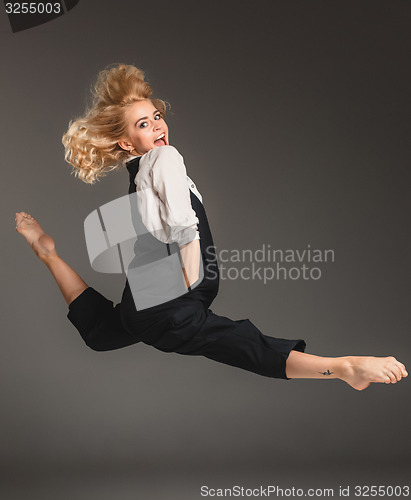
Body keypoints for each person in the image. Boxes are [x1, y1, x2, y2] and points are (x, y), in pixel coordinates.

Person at [15, 63, 407, 391]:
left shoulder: (142, 169)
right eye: (143, 124)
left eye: (156, 116)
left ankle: (47, 254)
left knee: (104, 333)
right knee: (234, 341)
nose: (156, 126)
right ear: (126, 143)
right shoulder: (163, 159)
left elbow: (165, 217)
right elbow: (183, 223)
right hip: (170, 293)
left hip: (157, 295)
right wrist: (189, 268)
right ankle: (342, 367)